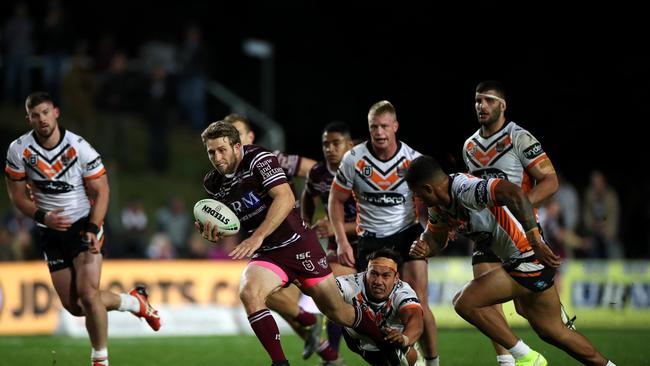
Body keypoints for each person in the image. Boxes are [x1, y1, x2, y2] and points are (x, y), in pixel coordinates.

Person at [198, 121, 402, 366]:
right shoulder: (213, 183)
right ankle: (280, 362)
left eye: (222, 150)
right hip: (267, 254)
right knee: (249, 292)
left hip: (297, 244)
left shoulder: (259, 159)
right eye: (211, 152)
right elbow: (231, 219)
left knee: (339, 311)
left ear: (238, 146)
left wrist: (258, 235)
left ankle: (386, 343)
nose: (217, 157)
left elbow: (284, 197)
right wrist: (214, 231)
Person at [406, 155, 616, 366]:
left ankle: (527, 357)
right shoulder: (439, 206)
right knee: (553, 331)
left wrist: (534, 238)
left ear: (428, 188)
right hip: (518, 260)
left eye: (417, 194)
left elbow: (513, 192)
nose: (418, 200)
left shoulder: (465, 189)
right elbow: (436, 239)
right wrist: (424, 246)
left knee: (465, 302)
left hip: (528, 256)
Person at [4, 92, 161, 366]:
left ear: (56, 112)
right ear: (28, 118)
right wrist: (44, 216)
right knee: (76, 307)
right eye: (35, 115)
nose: (41, 119)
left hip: (82, 226)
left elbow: (102, 191)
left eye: (45, 112)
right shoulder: (19, 150)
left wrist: (93, 227)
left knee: (89, 294)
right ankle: (135, 303)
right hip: (50, 232)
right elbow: (17, 197)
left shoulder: (79, 147)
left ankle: (99, 360)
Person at [462, 80, 565, 365]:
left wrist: (520, 207)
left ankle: (556, 316)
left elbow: (551, 180)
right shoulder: (469, 146)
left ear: (502, 105)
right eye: (477, 100)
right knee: (484, 298)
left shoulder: (519, 138)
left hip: (521, 231)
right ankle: (508, 361)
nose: (481, 106)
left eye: (488, 100)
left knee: (527, 312)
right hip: (486, 235)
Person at [329, 100, 439, 365]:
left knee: (419, 301)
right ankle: (399, 354)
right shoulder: (354, 159)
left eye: (384, 126)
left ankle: (433, 362)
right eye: (373, 127)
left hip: (406, 233)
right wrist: (342, 242)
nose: (378, 132)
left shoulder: (413, 160)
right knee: (369, 306)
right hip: (371, 239)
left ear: (395, 127)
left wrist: (432, 234)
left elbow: (435, 197)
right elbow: (335, 200)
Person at [222, 113, 333, 362]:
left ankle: (327, 342)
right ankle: (330, 355)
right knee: (271, 301)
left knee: (332, 307)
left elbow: (316, 171)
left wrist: (323, 209)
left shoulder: (271, 159)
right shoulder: (227, 178)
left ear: (249, 137)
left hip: (295, 240)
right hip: (267, 251)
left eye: (236, 134)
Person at [301, 121, 357, 365]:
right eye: (326, 144)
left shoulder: (361, 169)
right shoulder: (318, 173)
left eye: (336, 143)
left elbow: (377, 217)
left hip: (373, 241)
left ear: (350, 144)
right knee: (334, 293)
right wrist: (304, 226)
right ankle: (333, 355)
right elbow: (307, 197)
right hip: (340, 244)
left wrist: (336, 227)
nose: (330, 149)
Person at [337, 248, 423, 366]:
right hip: (357, 339)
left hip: (392, 341)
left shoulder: (403, 291)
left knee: (408, 356)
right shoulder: (349, 283)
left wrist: (405, 338)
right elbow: (325, 290)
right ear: (365, 272)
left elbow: (416, 320)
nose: (378, 281)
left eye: (386, 275)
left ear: (396, 278)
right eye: (374, 274)